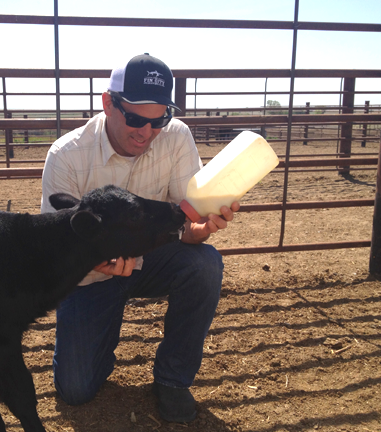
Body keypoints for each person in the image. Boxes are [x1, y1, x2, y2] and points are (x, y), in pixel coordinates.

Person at [41, 53, 239, 423]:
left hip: (152, 259)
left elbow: (187, 226)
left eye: (158, 120)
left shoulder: (177, 138)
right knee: (76, 391)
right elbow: (59, 254)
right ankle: (95, 338)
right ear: (107, 103)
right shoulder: (66, 157)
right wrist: (101, 263)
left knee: (204, 264)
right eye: (134, 118)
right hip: (91, 277)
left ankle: (172, 380)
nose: (146, 132)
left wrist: (204, 227)